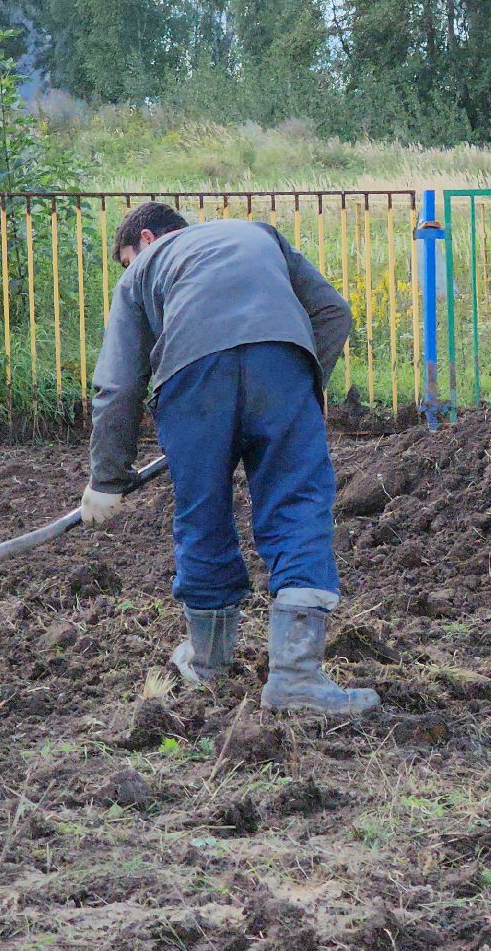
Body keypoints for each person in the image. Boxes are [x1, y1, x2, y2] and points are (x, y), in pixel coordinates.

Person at [80, 201, 377, 717]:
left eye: (126, 259)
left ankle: (208, 663)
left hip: (192, 377)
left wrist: (107, 477)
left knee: (203, 513)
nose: (129, 268)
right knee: (298, 505)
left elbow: (119, 384)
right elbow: (333, 313)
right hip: (282, 363)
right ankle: (297, 677)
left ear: (145, 241)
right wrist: (302, 385)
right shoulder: (260, 234)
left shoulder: (143, 270)